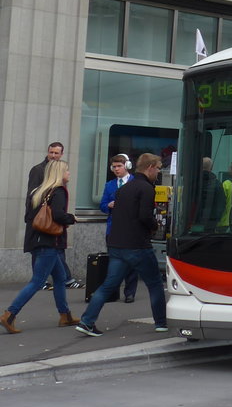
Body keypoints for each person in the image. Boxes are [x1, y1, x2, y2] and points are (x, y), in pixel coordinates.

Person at [75, 153, 168, 337]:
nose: (158, 171)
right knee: (155, 283)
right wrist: (155, 225)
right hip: (138, 245)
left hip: (117, 244)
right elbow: (144, 216)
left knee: (108, 285)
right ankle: (161, 322)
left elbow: (116, 215)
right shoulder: (147, 188)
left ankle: (87, 321)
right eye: (157, 168)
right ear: (149, 167)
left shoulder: (123, 189)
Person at [2, 159, 80, 333]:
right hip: (50, 242)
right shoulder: (59, 191)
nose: (69, 174)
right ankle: (9, 314)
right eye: (67, 171)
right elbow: (58, 215)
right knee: (37, 281)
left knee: (60, 278)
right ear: (60, 173)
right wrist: (71, 218)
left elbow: (30, 216)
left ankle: (65, 315)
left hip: (38, 239)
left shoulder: (39, 191)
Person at [29, 141, 83, 290]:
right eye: (51, 152)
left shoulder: (59, 174)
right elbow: (32, 197)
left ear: (61, 154)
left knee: (57, 255)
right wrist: (69, 218)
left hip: (53, 224)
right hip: (43, 220)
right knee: (42, 252)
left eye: (56, 153)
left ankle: (65, 283)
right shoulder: (39, 170)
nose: (53, 155)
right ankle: (44, 281)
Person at [99, 154, 138, 302]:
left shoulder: (135, 183)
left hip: (130, 228)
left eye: (119, 166)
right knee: (114, 260)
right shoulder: (109, 185)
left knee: (131, 261)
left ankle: (130, 292)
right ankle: (112, 292)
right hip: (113, 228)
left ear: (127, 166)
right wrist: (108, 206)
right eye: (114, 167)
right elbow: (102, 205)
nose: (116, 169)